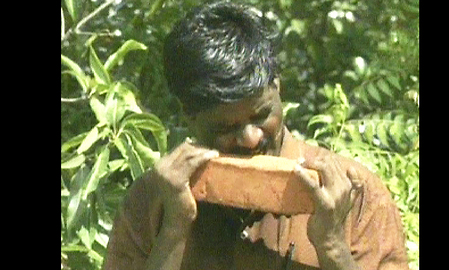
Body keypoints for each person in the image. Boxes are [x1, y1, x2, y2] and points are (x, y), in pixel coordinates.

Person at [103, 2, 409, 270]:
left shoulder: (356, 193)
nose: (250, 138)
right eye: (225, 128)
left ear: (277, 85)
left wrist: (331, 245)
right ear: (189, 115)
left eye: (261, 115)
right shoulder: (153, 199)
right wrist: (173, 229)